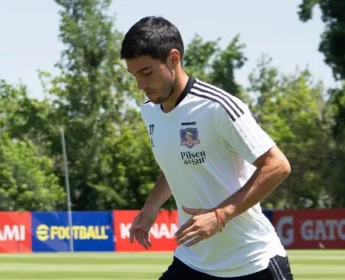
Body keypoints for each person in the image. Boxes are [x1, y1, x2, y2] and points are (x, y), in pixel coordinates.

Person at [120, 16, 294, 280]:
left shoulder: (218, 106)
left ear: (173, 58)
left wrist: (220, 215)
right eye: (134, 75)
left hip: (252, 263)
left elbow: (278, 165)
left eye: (146, 73)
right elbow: (176, 163)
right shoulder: (149, 111)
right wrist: (151, 207)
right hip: (193, 262)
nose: (140, 86)